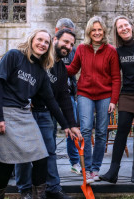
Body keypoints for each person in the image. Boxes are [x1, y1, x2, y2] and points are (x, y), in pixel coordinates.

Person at [0, 29, 75, 199]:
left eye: (46, 42)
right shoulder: (14, 56)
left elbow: (51, 101)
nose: (42, 44)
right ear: (31, 40)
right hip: (4, 112)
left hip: (23, 114)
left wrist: (66, 125)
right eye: (40, 40)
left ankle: (37, 195)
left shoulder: (40, 70)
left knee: (41, 156)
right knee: (7, 163)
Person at [15, 29, 82, 199]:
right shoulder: (39, 58)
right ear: (55, 40)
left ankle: (53, 188)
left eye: (71, 44)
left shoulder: (61, 68)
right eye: (65, 42)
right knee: (24, 151)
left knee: (49, 151)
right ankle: (25, 190)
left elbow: (63, 97)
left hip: (45, 114)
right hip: (26, 112)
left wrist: (72, 124)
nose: (68, 46)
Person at [66, 16, 121, 184]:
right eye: (93, 30)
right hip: (85, 94)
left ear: (103, 31)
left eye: (99, 29)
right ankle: (87, 169)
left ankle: (96, 168)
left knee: (102, 132)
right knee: (86, 130)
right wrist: (56, 66)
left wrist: (113, 100)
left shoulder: (111, 50)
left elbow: (116, 78)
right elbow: (73, 69)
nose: (97, 33)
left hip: (105, 96)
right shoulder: (81, 49)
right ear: (89, 32)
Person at [99, 16, 134, 184]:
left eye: (126, 25)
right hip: (126, 94)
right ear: (117, 31)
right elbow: (114, 76)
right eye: (120, 27)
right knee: (121, 132)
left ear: (131, 26)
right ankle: (113, 170)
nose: (124, 28)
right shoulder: (117, 51)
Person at [55, 18, 81, 175]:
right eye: (65, 30)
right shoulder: (48, 48)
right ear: (56, 30)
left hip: (68, 93)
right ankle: (48, 164)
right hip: (50, 96)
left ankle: (75, 162)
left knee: (73, 128)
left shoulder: (73, 49)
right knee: (49, 129)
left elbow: (73, 68)